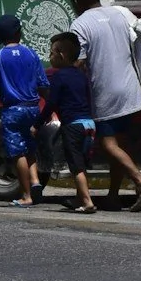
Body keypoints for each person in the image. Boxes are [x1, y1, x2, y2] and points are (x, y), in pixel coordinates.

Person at [68, 0, 141, 211]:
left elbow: (79, 63)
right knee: (119, 145)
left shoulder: (80, 25)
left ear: (75, 2)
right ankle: (113, 196)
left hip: (106, 92)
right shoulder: (120, 14)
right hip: (131, 89)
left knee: (108, 145)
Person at [0, 15, 47, 206]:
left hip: (12, 111)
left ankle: (26, 195)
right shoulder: (31, 53)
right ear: (19, 33)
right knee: (30, 147)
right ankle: (35, 181)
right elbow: (43, 83)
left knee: (17, 153)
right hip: (33, 108)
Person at [40, 31, 97, 214]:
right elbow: (89, 99)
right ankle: (80, 198)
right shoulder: (82, 75)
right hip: (89, 124)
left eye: (51, 53)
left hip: (72, 125)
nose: (50, 57)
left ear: (61, 55)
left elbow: (52, 103)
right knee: (82, 163)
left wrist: (37, 123)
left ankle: (87, 202)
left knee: (76, 165)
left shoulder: (59, 76)